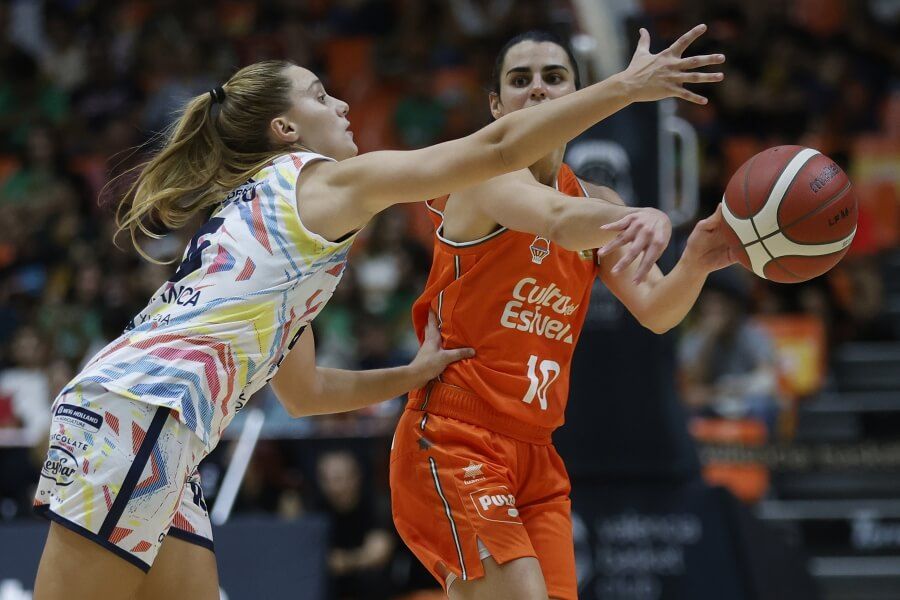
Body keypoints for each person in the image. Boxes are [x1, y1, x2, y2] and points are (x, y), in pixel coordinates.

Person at [32, 25, 721, 600]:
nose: (341, 104)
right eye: (319, 95)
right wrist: (626, 88)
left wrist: (413, 372)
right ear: (285, 128)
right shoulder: (325, 182)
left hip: (160, 429)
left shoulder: (282, 228)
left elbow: (305, 393)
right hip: (142, 411)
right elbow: (497, 149)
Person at [389, 29, 734, 600]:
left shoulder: (598, 202)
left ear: (576, 94)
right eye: (519, 80)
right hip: (454, 436)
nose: (537, 90)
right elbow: (554, 219)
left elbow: (656, 310)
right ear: (496, 105)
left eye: (554, 78)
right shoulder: (480, 175)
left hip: (537, 449)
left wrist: (696, 260)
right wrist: (644, 215)